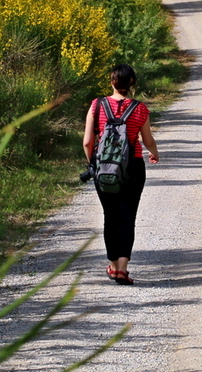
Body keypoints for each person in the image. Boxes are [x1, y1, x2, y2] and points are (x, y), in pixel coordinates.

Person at [83, 64, 159, 285]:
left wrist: (93, 165)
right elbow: (148, 140)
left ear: (111, 81)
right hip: (132, 166)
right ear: (132, 83)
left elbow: (88, 141)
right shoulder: (140, 109)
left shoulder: (97, 106)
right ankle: (122, 269)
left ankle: (113, 266)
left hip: (104, 168)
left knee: (110, 216)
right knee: (127, 216)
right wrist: (155, 153)